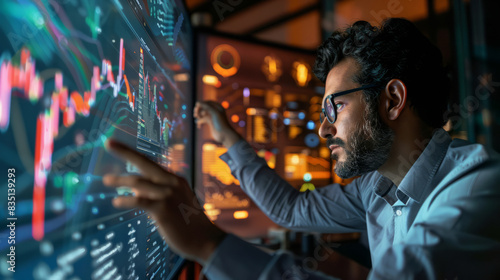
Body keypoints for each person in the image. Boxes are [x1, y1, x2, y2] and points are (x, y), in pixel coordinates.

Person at [103, 18, 500, 279]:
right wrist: (226, 137)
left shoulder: (476, 186)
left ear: (393, 99)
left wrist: (210, 244)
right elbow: (291, 210)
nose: (325, 128)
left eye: (335, 106)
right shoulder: (376, 188)